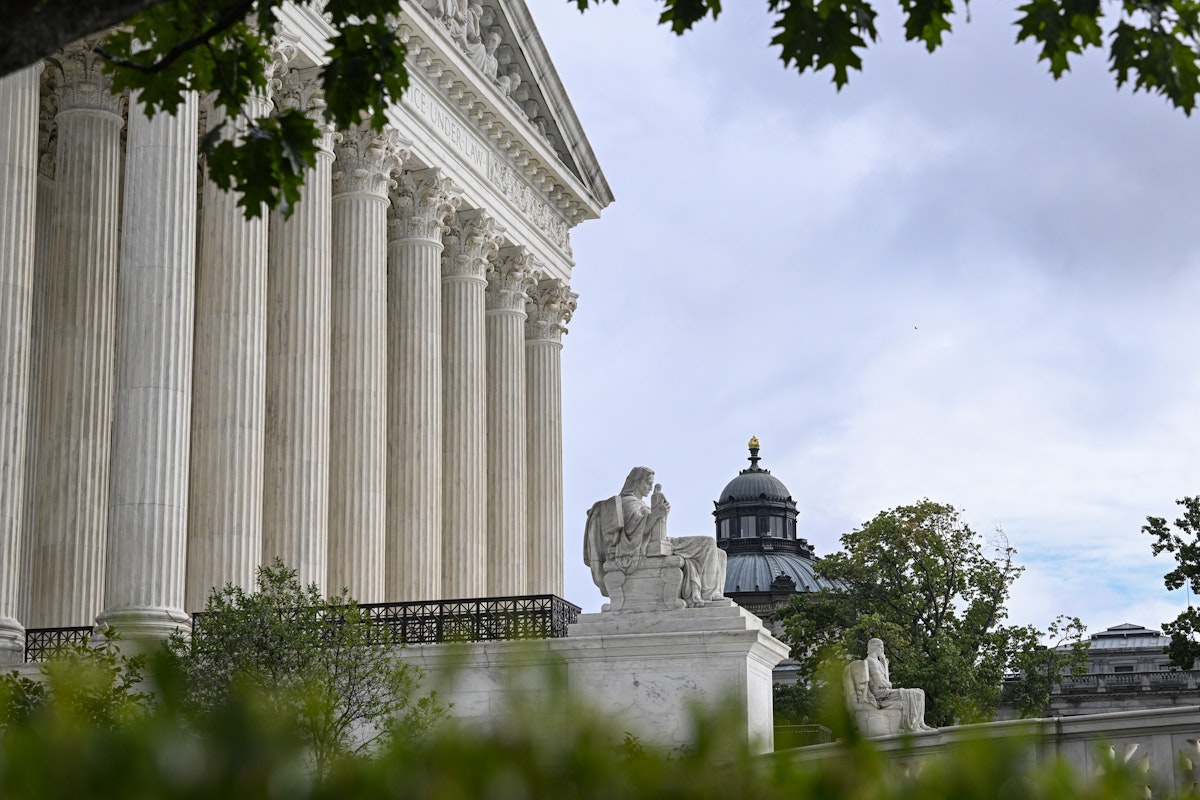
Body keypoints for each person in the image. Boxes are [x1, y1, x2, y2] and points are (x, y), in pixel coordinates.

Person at [586, 466, 726, 607]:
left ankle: (714, 592)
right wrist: (656, 514)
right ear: (637, 482)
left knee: (720, 554)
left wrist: (659, 512)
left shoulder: (638, 502)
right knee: (708, 543)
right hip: (642, 547)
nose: (650, 487)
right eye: (648, 483)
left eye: (652, 483)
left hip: (659, 541)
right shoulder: (627, 502)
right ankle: (708, 595)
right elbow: (634, 532)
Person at [864, 638, 936, 732]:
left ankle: (920, 723)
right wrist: (888, 684)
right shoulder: (870, 661)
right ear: (875, 647)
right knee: (916, 694)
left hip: (885, 691)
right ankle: (914, 725)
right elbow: (880, 682)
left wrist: (884, 664)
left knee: (920, 691)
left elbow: (886, 682)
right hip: (880, 694)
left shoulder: (877, 662)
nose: (882, 650)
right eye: (881, 647)